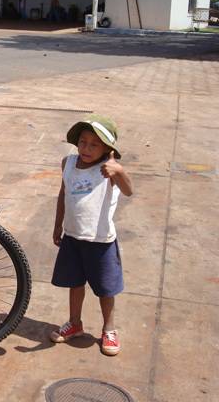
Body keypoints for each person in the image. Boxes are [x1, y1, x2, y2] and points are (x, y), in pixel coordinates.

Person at [50, 115, 133, 356]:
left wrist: (119, 170)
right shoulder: (68, 163)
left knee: (106, 289)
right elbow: (63, 195)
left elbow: (129, 191)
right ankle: (74, 322)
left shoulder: (109, 170)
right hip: (73, 237)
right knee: (75, 284)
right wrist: (58, 226)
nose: (86, 148)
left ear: (108, 149)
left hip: (101, 242)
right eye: (83, 142)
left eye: (94, 144)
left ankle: (109, 329)